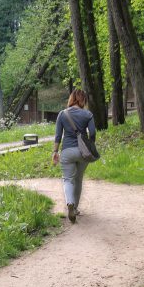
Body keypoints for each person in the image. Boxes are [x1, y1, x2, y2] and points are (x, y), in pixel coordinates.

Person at [52, 89, 95, 223]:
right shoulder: (87, 114)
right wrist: (91, 145)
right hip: (83, 152)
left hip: (67, 151)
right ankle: (75, 208)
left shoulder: (62, 114)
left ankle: (69, 203)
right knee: (78, 179)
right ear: (83, 100)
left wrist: (55, 151)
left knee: (67, 180)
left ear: (71, 99)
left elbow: (58, 135)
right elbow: (92, 133)